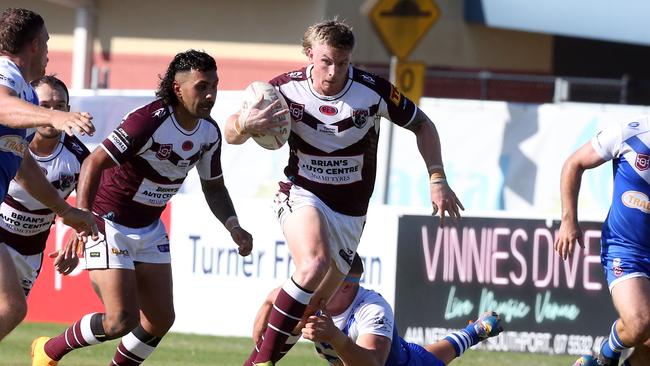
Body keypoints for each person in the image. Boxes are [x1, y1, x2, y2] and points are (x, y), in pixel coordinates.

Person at [225, 18, 464, 365]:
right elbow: (231, 131)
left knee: (310, 308)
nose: (334, 71)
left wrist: (437, 178)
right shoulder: (284, 90)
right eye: (325, 61)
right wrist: (245, 124)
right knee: (314, 263)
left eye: (342, 62)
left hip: (351, 214)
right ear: (310, 54)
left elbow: (422, 124)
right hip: (302, 193)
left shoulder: (373, 91)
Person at [30, 50, 254, 366]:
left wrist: (233, 225)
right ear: (178, 88)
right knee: (120, 320)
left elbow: (213, 186)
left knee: (160, 319)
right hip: (108, 223)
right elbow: (94, 162)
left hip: (149, 228)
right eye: (201, 87)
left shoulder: (209, 133)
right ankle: (49, 351)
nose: (210, 95)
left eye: (214, 86)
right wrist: (83, 220)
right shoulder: (148, 121)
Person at [0, 7, 97, 341]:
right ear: (34, 46)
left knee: (10, 307)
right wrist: (54, 118)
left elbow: (21, 161)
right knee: (10, 308)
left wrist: (65, 211)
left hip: (29, 246)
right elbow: (1, 106)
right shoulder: (5, 72)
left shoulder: (24, 90)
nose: (48, 52)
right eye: (47, 43)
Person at [253, 254, 503, 366]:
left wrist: (333, 336)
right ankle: (475, 331)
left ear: (344, 286)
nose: (314, 284)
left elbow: (372, 364)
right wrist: (268, 303)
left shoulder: (372, 309)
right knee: (431, 354)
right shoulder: (315, 297)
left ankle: (475, 331)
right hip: (404, 352)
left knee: (432, 359)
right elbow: (276, 306)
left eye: (324, 279)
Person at [555, 115, 650, 366]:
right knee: (640, 323)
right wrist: (568, 220)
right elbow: (574, 163)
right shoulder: (631, 133)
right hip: (627, 249)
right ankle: (608, 352)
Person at [0, 74, 90, 297]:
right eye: (45, 106)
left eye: (60, 106)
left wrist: (78, 236)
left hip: (30, 253)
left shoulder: (79, 157)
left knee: (11, 316)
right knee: (11, 309)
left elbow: (92, 204)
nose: (54, 113)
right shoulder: (10, 140)